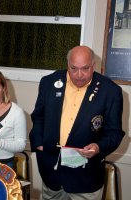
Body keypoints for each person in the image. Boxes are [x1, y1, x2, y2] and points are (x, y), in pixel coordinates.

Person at [29, 45, 125, 200]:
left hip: (85, 177)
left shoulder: (111, 91)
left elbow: (114, 133)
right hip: (51, 173)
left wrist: (98, 146)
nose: (79, 75)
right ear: (68, 65)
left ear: (93, 66)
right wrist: (39, 142)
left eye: (85, 68)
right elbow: (39, 116)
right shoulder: (49, 82)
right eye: (73, 68)